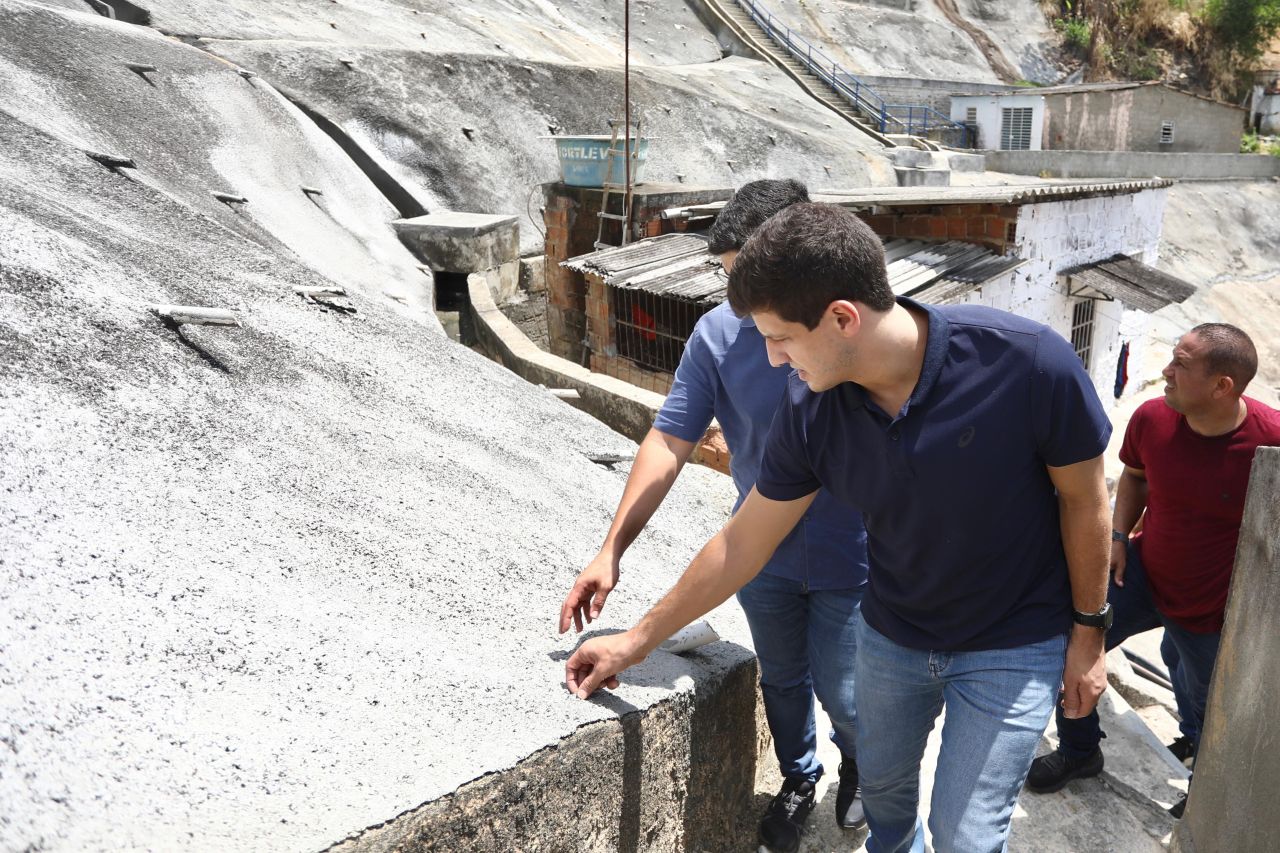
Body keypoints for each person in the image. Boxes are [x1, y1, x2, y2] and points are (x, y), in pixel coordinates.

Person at [563, 202, 1115, 853]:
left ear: (843, 318)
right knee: (884, 804)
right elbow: (744, 539)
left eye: (780, 337)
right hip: (893, 634)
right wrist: (634, 640)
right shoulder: (811, 409)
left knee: (965, 833)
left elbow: (1086, 502)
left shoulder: (1028, 364)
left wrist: (1089, 633)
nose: (771, 359)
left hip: (1012, 640)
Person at [558, 180, 871, 853]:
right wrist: (613, 547)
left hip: (858, 557)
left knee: (846, 690)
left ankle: (862, 763)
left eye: (747, 278)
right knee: (784, 679)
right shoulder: (719, 334)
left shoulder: (850, 335)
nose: (738, 299)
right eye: (728, 279)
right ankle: (799, 774)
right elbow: (670, 439)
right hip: (762, 557)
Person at [1026, 323, 1280, 817]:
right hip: (1141, 575)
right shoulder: (1152, 418)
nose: (1164, 372)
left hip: (1213, 605)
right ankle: (1080, 752)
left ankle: (1204, 792)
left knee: (1212, 707)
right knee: (1071, 645)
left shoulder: (1270, 444)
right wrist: (1119, 537)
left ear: (1222, 386)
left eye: (1181, 365)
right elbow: (1137, 477)